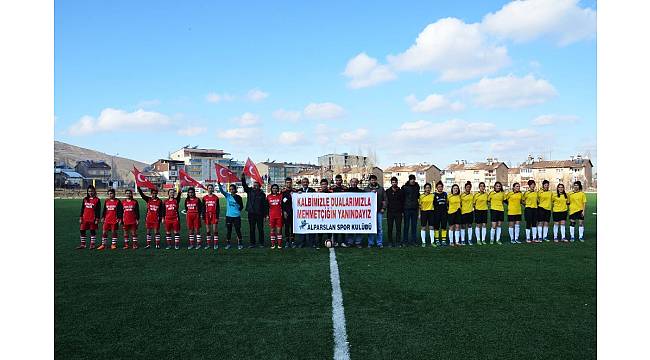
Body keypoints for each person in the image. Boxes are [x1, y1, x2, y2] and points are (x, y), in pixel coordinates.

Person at [241, 173, 269, 248]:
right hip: (251, 213)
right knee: (252, 229)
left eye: (256, 185)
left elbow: (265, 205)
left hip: (260, 214)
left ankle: (261, 243)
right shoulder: (249, 191)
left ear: (259, 186)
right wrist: (243, 178)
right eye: (254, 185)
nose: (255, 186)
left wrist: (266, 215)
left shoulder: (262, 194)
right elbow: (244, 185)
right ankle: (252, 243)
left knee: (260, 229)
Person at [218, 182, 245, 249]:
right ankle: (228, 244)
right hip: (229, 216)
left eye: (233, 189)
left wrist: (237, 211)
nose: (231, 190)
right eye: (230, 189)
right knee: (229, 230)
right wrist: (219, 185)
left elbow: (241, 206)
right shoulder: (228, 196)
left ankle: (240, 244)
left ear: (235, 190)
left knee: (237, 230)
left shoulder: (239, 197)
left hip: (236, 216)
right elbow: (221, 191)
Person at [365, 174, 386, 248]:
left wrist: (383, 208)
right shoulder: (366, 189)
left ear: (376, 180)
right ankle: (370, 242)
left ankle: (379, 242)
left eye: (374, 180)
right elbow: (363, 200)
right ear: (370, 181)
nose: (373, 181)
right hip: (370, 212)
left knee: (379, 228)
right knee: (370, 227)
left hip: (379, 211)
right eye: (372, 180)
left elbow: (385, 199)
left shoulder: (381, 189)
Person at [77, 185, 101, 249]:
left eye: (92, 191)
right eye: (89, 191)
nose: (90, 192)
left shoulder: (97, 200)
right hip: (85, 218)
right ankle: (83, 244)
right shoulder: (85, 199)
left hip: (92, 218)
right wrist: (80, 217)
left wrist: (97, 219)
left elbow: (98, 211)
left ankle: (92, 244)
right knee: (82, 230)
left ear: (94, 191)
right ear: (87, 192)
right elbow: (82, 209)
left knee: (92, 231)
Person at [296, 177, 317, 248]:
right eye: (303, 182)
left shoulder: (312, 190)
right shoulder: (298, 191)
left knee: (311, 227)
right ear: (301, 183)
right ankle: (302, 242)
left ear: (308, 183)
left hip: (311, 213)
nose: (305, 183)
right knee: (302, 227)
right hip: (302, 213)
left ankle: (312, 242)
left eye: (306, 182)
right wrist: (297, 195)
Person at [346, 178, 365, 248]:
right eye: (352, 182)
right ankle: (350, 242)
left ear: (357, 183)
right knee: (350, 227)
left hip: (358, 213)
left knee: (359, 227)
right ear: (350, 182)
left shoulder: (361, 192)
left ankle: (358, 242)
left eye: (355, 182)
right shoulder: (346, 191)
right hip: (349, 213)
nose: (353, 183)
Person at [401, 174, 420, 246]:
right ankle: (405, 241)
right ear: (409, 180)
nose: (413, 180)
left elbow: (418, 196)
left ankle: (414, 241)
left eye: (414, 179)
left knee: (414, 226)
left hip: (414, 209)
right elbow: (402, 199)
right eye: (411, 179)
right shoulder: (404, 187)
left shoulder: (417, 187)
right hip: (406, 209)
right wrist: (402, 211)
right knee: (406, 226)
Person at [385, 177, 404, 247]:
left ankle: (398, 242)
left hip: (398, 212)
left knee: (398, 228)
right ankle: (390, 242)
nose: (394, 183)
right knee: (390, 228)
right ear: (391, 183)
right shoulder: (387, 191)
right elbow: (385, 201)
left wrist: (402, 212)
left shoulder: (401, 191)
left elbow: (403, 202)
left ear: (397, 183)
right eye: (393, 182)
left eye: (395, 182)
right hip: (390, 212)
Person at [330, 175, 348, 247]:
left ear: (342, 181)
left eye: (339, 180)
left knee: (343, 226)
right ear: (335, 181)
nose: (338, 182)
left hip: (343, 211)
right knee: (335, 226)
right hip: (334, 210)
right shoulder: (332, 189)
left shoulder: (345, 188)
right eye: (337, 180)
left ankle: (343, 241)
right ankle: (336, 241)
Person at [202, 184, 220, 249]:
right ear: (207, 189)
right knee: (208, 230)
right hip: (207, 215)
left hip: (214, 215)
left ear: (213, 189)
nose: (210, 189)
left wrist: (217, 217)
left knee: (215, 230)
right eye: (209, 188)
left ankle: (215, 244)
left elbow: (218, 208)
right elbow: (203, 208)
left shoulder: (216, 198)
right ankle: (208, 244)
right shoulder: (204, 198)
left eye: (211, 188)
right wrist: (203, 217)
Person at [317, 179, 333, 249]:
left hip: (329, 213)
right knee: (320, 228)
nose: (324, 185)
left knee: (329, 228)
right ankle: (319, 242)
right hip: (321, 213)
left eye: (325, 184)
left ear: (327, 185)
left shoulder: (331, 192)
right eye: (323, 184)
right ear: (321, 185)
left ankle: (329, 240)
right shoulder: (317, 193)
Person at [267, 184, 284, 249]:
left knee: (279, 231)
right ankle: (273, 244)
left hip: (279, 215)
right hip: (272, 216)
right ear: (271, 189)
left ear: (278, 189)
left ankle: (279, 244)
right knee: (272, 230)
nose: (275, 189)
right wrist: (267, 215)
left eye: (276, 188)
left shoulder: (280, 196)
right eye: (273, 188)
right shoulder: (268, 196)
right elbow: (267, 206)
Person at [281, 177, 296, 248]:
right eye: (287, 183)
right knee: (286, 227)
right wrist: (284, 211)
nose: (288, 184)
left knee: (293, 227)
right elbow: (282, 203)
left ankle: (293, 241)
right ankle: (287, 241)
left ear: (291, 183)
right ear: (285, 183)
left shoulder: (295, 191)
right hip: (286, 212)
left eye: (290, 182)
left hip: (294, 212)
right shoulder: (283, 192)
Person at [419, 183, 435, 247]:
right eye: (427, 188)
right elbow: (419, 206)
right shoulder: (421, 196)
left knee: (431, 227)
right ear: (424, 189)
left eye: (429, 188)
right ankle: (423, 242)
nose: (428, 189)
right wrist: (419, 214)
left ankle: (432, 242)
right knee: (423, 227)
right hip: (423, 212)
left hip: (431, 212)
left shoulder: (433, 195)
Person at [432, 181, 448, 246]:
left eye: (441, 187)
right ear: (436, 188)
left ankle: (444, 240)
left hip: (444, 213)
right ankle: (437, 240)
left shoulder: (445, 194)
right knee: (436, 227)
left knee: (444, 226)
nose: (440, 188)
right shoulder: (434, 195)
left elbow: (447, 203)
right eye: (439, 187)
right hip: (436, 213)